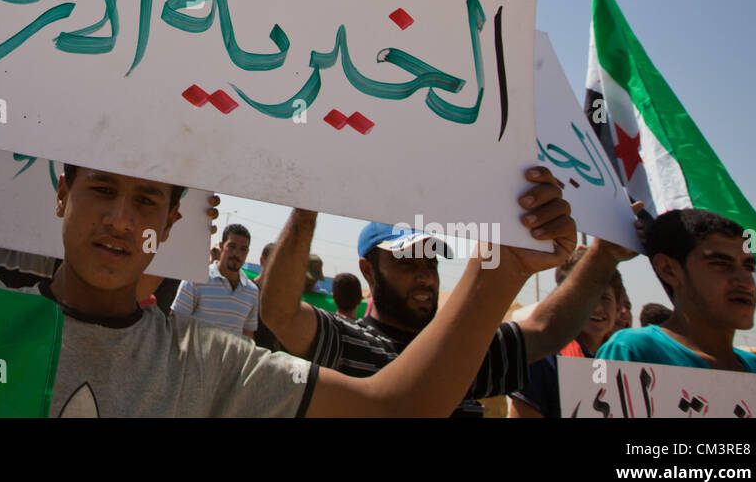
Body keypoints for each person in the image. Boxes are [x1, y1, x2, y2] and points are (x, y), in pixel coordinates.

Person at [42, 162, 577, 416]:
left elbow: (397, 409)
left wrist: (501, 267)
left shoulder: (205, 363)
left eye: (145, 202)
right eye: (103, 190)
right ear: (63, 194)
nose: (119, 219)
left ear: (172, 218)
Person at [260, 200, 632, 417]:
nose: (425, 277)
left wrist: (603, 256)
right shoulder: (348, 341)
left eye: (432, 262)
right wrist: (307, 207)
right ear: (368, 271)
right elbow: (280, 312)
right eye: (408, 262)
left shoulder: (463, 348)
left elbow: (547, 329)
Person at [596, 209, 756, 374]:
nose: (745, 283)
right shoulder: (633, 352)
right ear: (669, 270)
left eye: (748, 267)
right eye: (721, 264)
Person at [508, 243, 628, 418]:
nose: (596, 308)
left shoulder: (625, 360)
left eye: (606, 298)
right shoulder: (542, 360)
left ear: (618, 308)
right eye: (587, 297)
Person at [171, 222, 259, 338]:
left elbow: (247, 335)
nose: (237, 254)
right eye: (232, 247)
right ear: (222, 246)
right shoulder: (196, 278)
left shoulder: (252, 291)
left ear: (247, 252)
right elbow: (176, 323)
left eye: (243, 249)